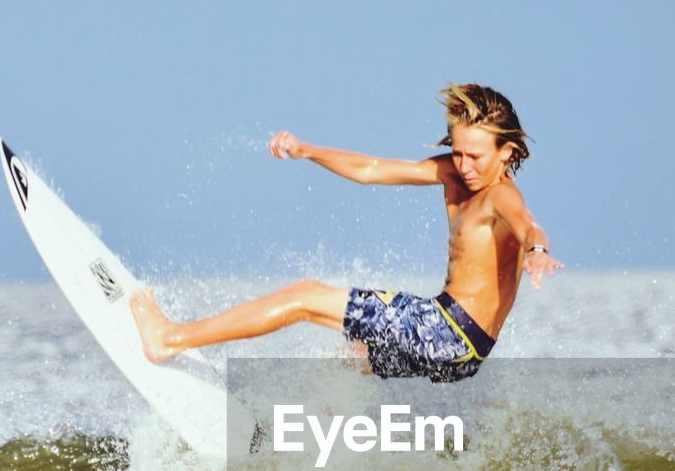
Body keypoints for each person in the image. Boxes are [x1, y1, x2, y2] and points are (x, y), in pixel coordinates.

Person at [130, 83, 562, 382]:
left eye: (476, 156)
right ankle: (298, 461)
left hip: (445, 330)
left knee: (302, 297)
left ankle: (169, 339)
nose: (465, 166)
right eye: (457, 151)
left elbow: (527, 224)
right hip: (462, 352)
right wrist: (306, 151)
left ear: (507, 151)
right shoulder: (454, 173)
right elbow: (370, 169)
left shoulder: (500, 196)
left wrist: (537, 250)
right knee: (341, 366)